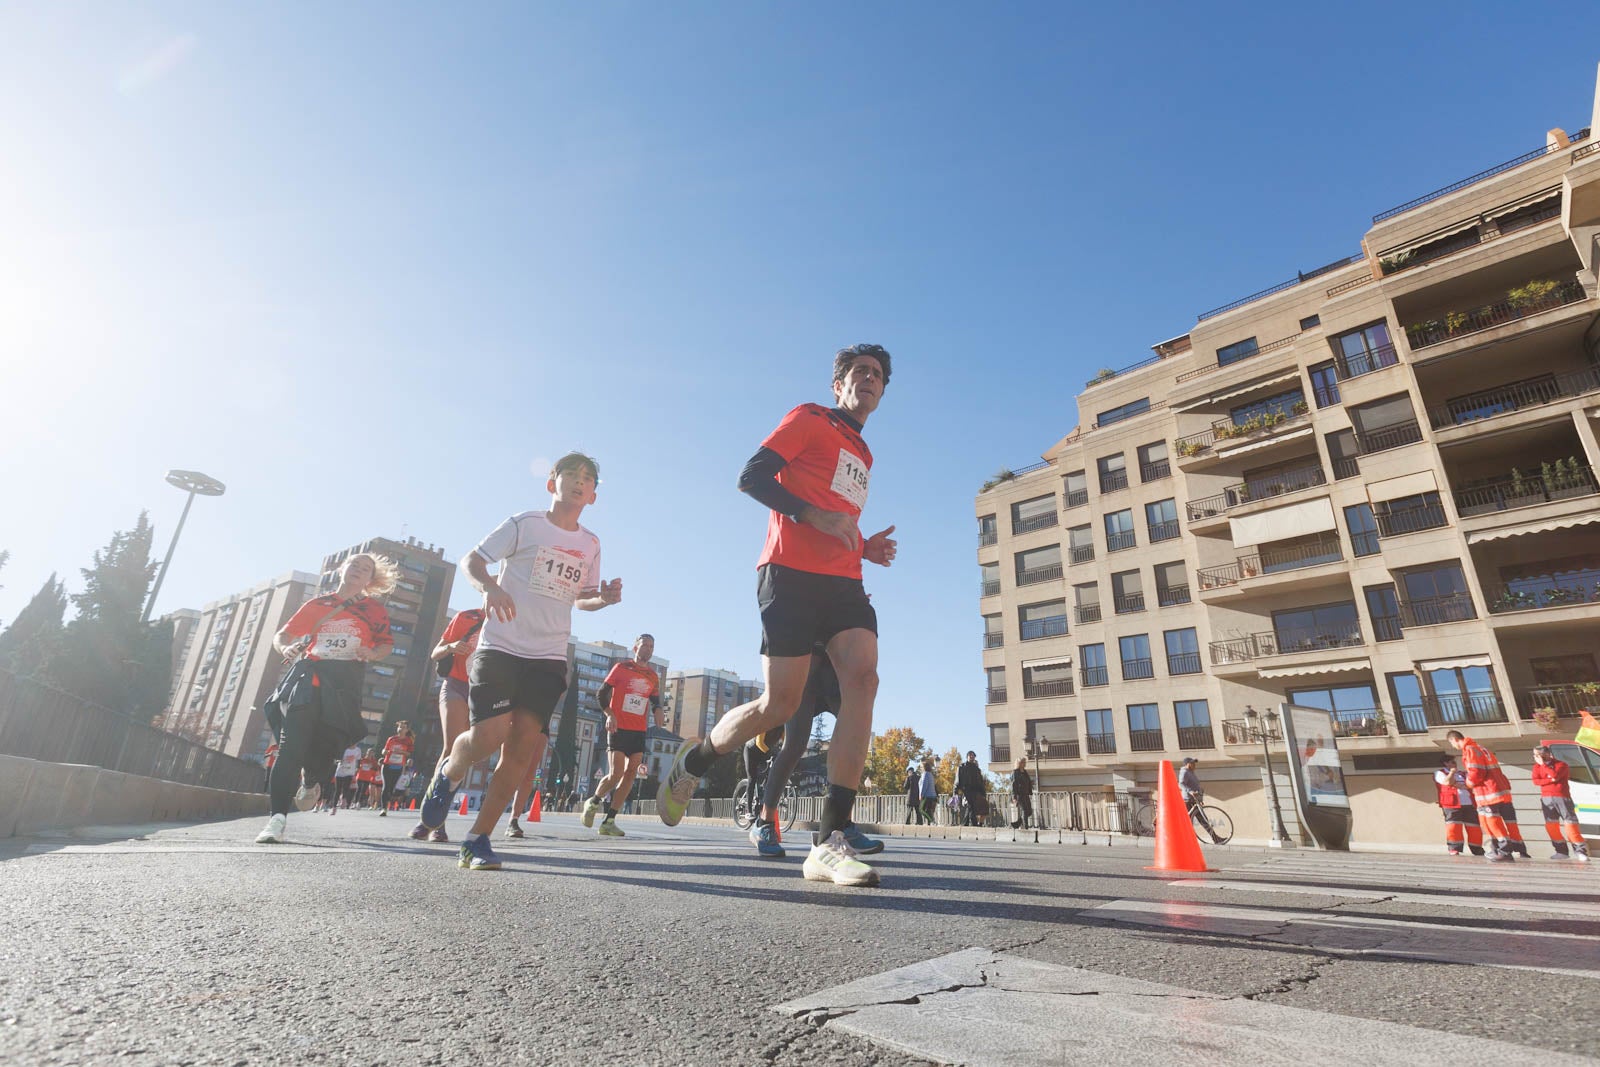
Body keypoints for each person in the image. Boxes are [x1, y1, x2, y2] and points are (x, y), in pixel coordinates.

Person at [655, 343, 897, 888]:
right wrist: (814, 516)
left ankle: (830, 841)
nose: (868, 378)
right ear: (838, 385)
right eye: (858, 371)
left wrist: (863, 547)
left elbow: (837, 520)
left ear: (883, 391)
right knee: (779, 704)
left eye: (878, 375)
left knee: (864, 679)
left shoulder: (865, 452)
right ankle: (698, 759)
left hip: (845, 583)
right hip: (787, 575)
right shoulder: (808, 418)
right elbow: (753, 477)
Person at [417, 452, 622, 871]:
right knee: (488, 736)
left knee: (523, 747)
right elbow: (471, 561)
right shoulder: (523, 524)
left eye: (587, 479)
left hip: (548, 656)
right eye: (571, 475)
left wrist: (605, 597)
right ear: (552, 483)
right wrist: (490, 587)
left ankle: (477, 839)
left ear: (594, 496)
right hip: (501, 647)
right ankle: (450, 772)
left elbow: (583, 597)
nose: (579, 482)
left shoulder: (591, 543)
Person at [255, 553, 396, 844]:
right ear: (342, 570)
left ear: (370, 580)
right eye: (354, 564)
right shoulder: (318, 605)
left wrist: (372, 653)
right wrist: (286, 648)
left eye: (365, 568)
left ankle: (311, 779)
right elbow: (282, 634)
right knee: (289, 748)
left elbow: (385, 645)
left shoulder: (374, 610)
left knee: (326, 746)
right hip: (310, 680)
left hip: (344, 686)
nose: (358, 569)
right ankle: (276, 820)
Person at [411, 606, 487, 842]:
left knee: (464, 754)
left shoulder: (511, 620)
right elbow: (436, 653)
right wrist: (452, 647)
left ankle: (437, 816)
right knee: (451, 747)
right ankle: (432, 820)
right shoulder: (467, 617)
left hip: (484, 692)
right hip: (456, 685)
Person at [580, 634, 662, 838]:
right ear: (635, 648)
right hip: (618, 727)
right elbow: (601, 694)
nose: (648, 649)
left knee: (631, 773)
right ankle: (594, 801)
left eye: (652, 646)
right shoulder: (621, 668)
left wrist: (658, 713)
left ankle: (609, 821)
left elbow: (656, 702)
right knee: (616, 773)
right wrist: (609, 714)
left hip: (639, 731)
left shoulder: (653, 676)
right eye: (645, 645)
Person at [1446, 730, 1529, 862]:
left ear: (1454, 740)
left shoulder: (1470, 750)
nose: (1453, 746)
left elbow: (1476, 772)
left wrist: (1468, 783)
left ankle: (1504, 851)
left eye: (1451, 743)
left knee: (1492, 821)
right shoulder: (1481, 748)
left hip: (1488, 792)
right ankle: (1519, 849)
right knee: (1510, 822)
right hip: (1500, 790)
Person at [1532, 745, 1590, 862]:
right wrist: (1549, 780)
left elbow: (1555, 776)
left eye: (1538, 755)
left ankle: (1580, 851)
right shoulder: (1536, 767)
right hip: (1546, 798)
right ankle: (1561, 851)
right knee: (1551, 825)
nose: (1535, 757)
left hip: (1562, 797)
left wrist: (1544, 766)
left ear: (1546, 754)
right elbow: (1536, 781)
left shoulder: (1561, 765)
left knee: (1570, 824)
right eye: (1535, 755)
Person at [1434, 754, 1486, 857]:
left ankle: (1477, 848)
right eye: (1452, 762)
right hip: (1451, 804)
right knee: (1454, 827)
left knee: (1474, 827)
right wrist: (1452, 773)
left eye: (1455, 762)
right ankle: (1454, 848)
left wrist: (1458, 784)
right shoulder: (1440, 773)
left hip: (1469, 804)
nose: (1455, 764)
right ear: (1446, 763)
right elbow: (1447, 782)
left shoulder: (1462, 774)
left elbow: (1470, 783)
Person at [1178, 757, 1223, 844]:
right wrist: (1190, 791)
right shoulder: (1184, 772)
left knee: (1203, 819)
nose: (1194, 765)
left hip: (1194, 800)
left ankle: (1216, 839)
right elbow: (1181, 784)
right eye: (1193, 763)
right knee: (1188, 821)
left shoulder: (1191, 772)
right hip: (1188, 800)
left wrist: (1199, 799)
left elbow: (1196, 787)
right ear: (1188, 764)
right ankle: (1184, 840)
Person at [378, 721, 414, 816]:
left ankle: (388, 803)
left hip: (398, 767)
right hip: (387, 765)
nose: (401, 729)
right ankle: (383, 809)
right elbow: (384, 750)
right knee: (386, 787)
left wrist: (400, 752)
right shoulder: (391, 739)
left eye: (403, 727)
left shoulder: (408, 741)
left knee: (391, 789)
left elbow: (409, 754)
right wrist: (384, 752)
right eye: (399, 727)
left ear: (407, 730)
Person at [329, 742, 361, 814]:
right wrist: (340, 761)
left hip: (350, 772)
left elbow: (359, 760)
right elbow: (335, 760)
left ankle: (343, 799)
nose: (354, 743)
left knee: (346, 788)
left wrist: (358, 768)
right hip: (340, 772)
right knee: (337, 790)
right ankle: (334, 808)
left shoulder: (358, 750)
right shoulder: (343, 749)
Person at [957, 751, 986, 827]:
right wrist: (956, 790)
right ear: (967, 757)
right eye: (970, 755)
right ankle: (973, 823)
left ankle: (966, 823)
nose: (971, 757)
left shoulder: (976, 768)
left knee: (971, 807)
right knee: (971, 806)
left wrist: (983, 792)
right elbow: (958, 779)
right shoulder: (962, 767)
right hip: (966, 789)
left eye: (973, 756)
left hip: (975, 790)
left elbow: (980, 781)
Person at [1010, 756, 1034, 830]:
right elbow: (1013, 785)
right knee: (1024, 810)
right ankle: (1026, 827)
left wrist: (1030, 790)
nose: (1024, 763)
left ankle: (1017, 823)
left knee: (1029, 811)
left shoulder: (1025, 772)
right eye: (1023, 762)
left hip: (1026, 794)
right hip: (1019, 794)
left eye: (1025, 762)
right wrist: (1014, 797)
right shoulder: (1015, 772)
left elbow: (1028, 782)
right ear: (1019, 763)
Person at [903, 760, 923, 825]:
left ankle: (907, 822)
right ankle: (920, 822)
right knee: (918, 810)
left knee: (909, 810)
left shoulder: (909, 778)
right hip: (917, 796)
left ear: (909, 772)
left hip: (910, 797)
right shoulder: (918, 777)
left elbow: (905, 786)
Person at [919, 756, 937, 825]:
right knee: (929, 810)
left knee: (921, 809)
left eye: (921, 767)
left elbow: (924, 785)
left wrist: (921, 795)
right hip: (932, 795)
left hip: (927, 796)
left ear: (924, 768)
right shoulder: (930, 774)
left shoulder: (925, 774)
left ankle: (932, 820)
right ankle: (931, 822)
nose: (920, 768)